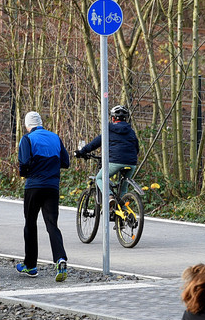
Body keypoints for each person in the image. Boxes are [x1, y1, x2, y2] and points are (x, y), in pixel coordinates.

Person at [16, 111, 71, 281]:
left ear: (27, 125)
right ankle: (60, 259)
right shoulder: (55, 137)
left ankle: (30, 265)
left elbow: (24, 163)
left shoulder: (27, 139)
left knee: (30, 224)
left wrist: (24, 172)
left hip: (34, 186)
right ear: (40, 123)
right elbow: (66, 162)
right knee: (52, 225)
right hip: (52, 187)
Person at [74, 104, 140, 201]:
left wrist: (81, 152)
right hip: (132, 163)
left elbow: (94, 144)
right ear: (126, 119)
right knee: (123, 189)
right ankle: (124, 213)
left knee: (99, 178)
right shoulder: (131, 131)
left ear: (113, 119)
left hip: (115, 161)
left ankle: (109, 196)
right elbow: (137, 148)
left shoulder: (108, 130)